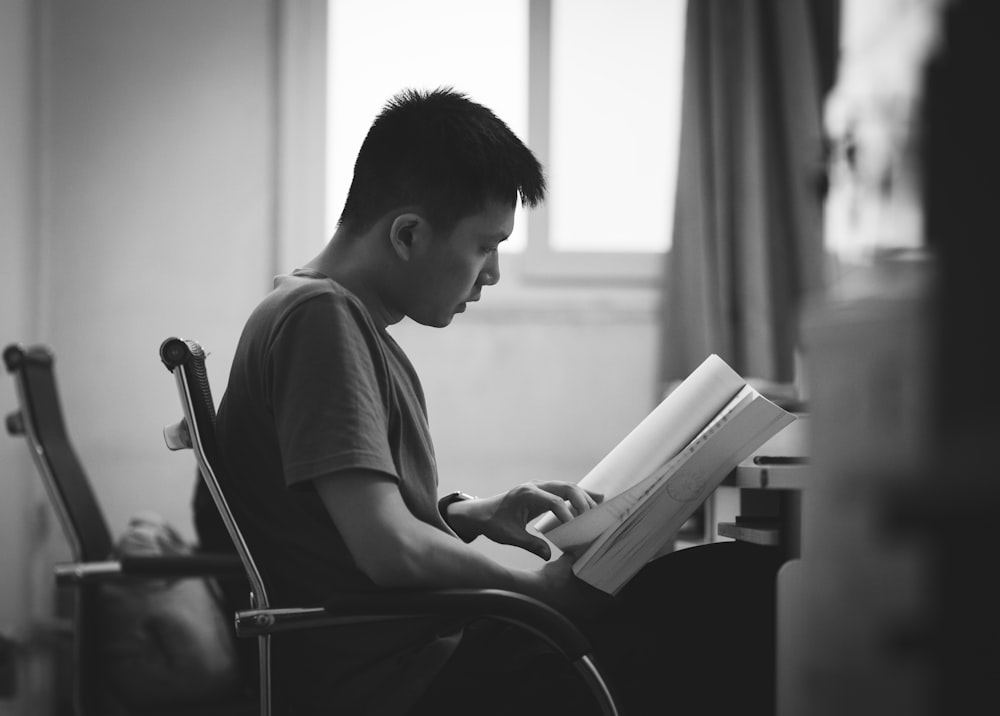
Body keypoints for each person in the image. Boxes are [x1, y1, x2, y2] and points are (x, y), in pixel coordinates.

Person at [199, 87, 784, 716]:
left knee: (717, 588)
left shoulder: (323, 318)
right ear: (408, 234)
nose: (494, 272)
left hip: (418, 653)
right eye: (484, 245)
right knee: (739, 590)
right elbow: (387, 548)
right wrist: (536, 592)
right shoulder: (320, 319)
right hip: (405, 682)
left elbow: (331, 537)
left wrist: (474, 513)